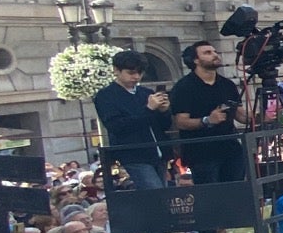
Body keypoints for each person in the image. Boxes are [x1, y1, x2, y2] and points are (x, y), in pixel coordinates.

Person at [169, 42, 248, 186]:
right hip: (202, 153)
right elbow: (180, 122)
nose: (215, 55)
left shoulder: (227, 84)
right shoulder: (184, 87)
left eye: (214, 51)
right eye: (207, 53)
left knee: (236, 193)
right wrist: (207, 120)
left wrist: (262, 117)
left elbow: (240, 115)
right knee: (212, 197)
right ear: (196, 60)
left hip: (231, 149)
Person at [93, 51, 172, 192]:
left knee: (165, 194)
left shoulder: (145, 92)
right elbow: (116, 126)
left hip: (159, 152)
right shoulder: (106, 96)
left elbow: (163, 126)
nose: (136, 77)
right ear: (116, 70)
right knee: (156, 194)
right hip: (134, 155)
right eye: (131, 72)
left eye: (140, 73)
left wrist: (164, 111)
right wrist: (148, 109)